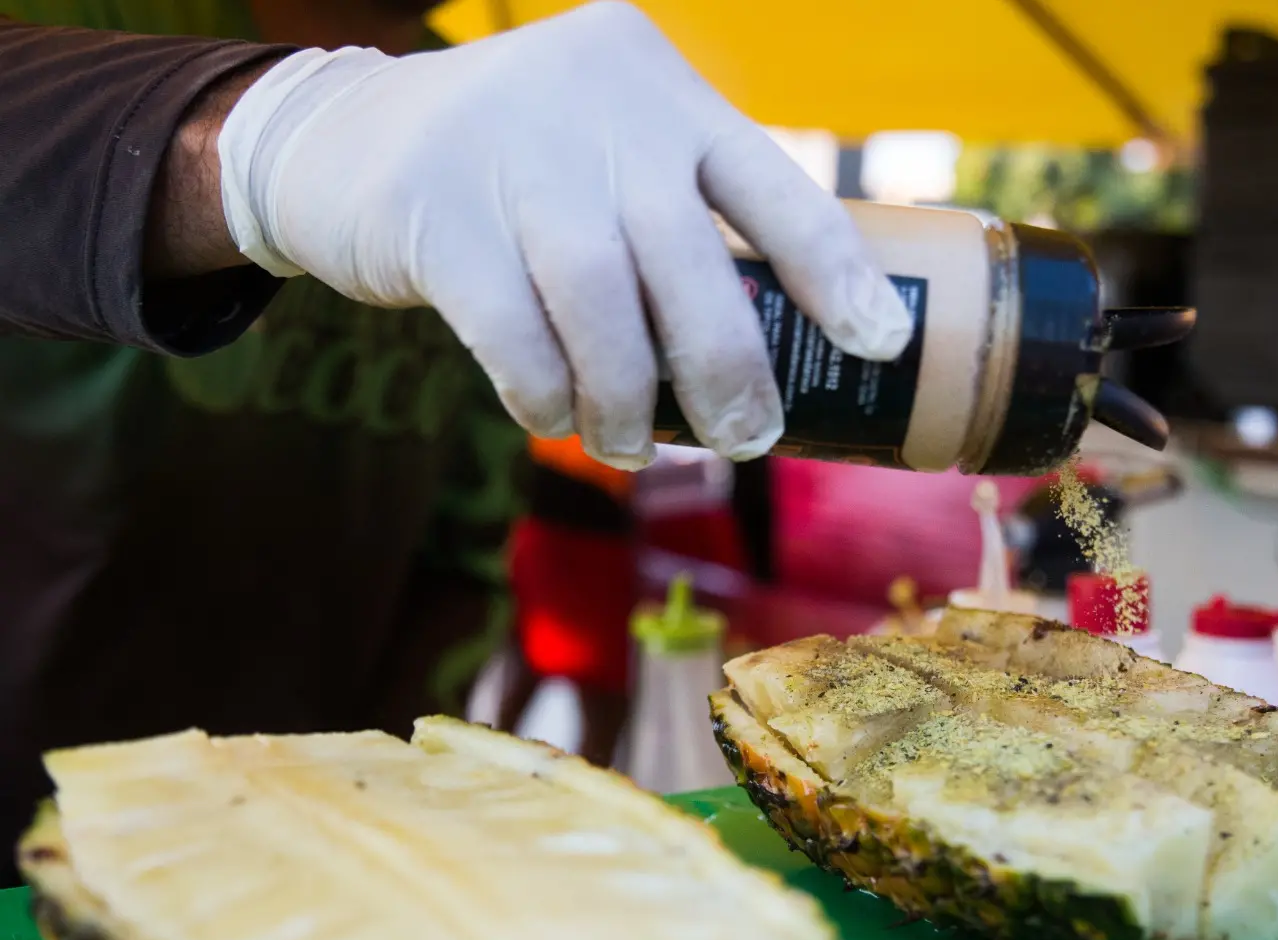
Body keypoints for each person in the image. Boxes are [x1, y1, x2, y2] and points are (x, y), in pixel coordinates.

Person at [0, 0, 913, 884]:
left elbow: (469, 529)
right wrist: (263, 137)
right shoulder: (89, 14)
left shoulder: (499, 94)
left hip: (314, 815)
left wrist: (391, 782)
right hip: (35, 785)